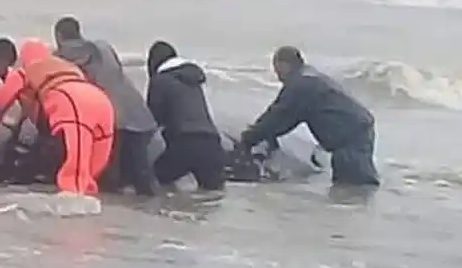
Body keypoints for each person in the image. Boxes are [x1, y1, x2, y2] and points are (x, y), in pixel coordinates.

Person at [0, 39, 115, 195]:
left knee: (74, 178)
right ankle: (94, 209)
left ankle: (73, 214)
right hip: (102, 101)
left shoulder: (26, 71)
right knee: (91, 172)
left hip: (71, 103)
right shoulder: (68, 66)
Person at [240, 46, 380, 187]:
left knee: (354, 187)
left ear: (283, 65)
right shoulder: (310, 76)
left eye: (276, 69)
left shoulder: (300, 84)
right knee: (352, 185)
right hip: (357, 130)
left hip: (350, 138)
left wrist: (248, 138)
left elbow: (277, 116)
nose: (277, 76)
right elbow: (285, 119)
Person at [53, 16, 159, 196]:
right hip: (138, 113)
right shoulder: (104, 47)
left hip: (110, 119)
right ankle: (154, 215)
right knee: (142, 181)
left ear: (58, 36)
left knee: (109, 181)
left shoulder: (61, 58)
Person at [146, 40, 226, 191]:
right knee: (211, 198)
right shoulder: (193, 80)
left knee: (154, 183)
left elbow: (151, 120)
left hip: (185, 145)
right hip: (213, 144)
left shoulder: (160, 80)